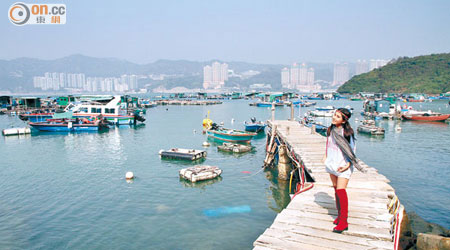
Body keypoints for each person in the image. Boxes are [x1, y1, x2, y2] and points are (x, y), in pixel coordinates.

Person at [323, 108, 364, 233]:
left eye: (338, 117)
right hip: (332, 164)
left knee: (341, 191)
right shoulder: (331, 130)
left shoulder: (347, 133)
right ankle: (339, 216)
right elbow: (328, 144)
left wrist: (348, 164)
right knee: (335, 189)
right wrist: (325, 157)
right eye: (334, 115)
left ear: (344, 120)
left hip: (343, 165)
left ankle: (344, 221)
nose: (334, 118)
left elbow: (352, 150)